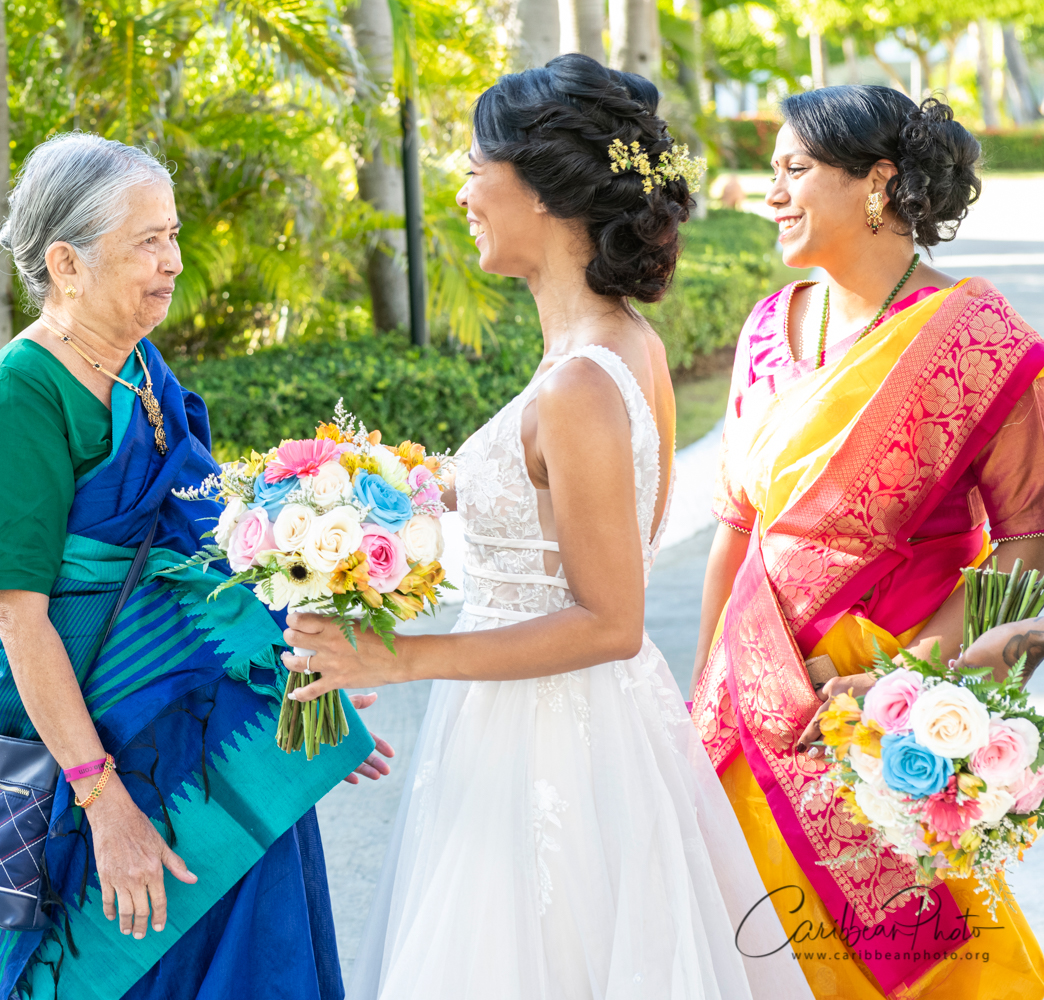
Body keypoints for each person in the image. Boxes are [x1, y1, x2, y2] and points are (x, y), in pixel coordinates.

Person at [282, 55, 815, 1000]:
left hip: (550, 742)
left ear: (541, 186)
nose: (462, 194)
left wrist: (397, 657)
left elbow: (610, 620)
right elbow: (535, 501)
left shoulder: (581, 380)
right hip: (539, 721)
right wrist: (370, 490)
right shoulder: (612, 346)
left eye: (475, 169)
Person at [0, 132, 393, 1000]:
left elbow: (203, 549)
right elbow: (17, 617)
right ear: (67, 264)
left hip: (214, 749)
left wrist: (293, 682)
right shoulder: (22, 395)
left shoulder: (139, 364)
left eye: (172, 235)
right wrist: (105, 806)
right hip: (97, 775)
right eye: (148, 241)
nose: (173, 261)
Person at [690, 85, 1044, 999]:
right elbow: (737, 527)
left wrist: (910, 682)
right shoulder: (766, 328)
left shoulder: (977, 340)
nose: (771, 193)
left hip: (882, 715)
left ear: (879, 182)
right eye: (770, 170)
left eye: (795, 169)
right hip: (747, 703)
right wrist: (697, 711)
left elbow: (1029, 539)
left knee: (914, 966)